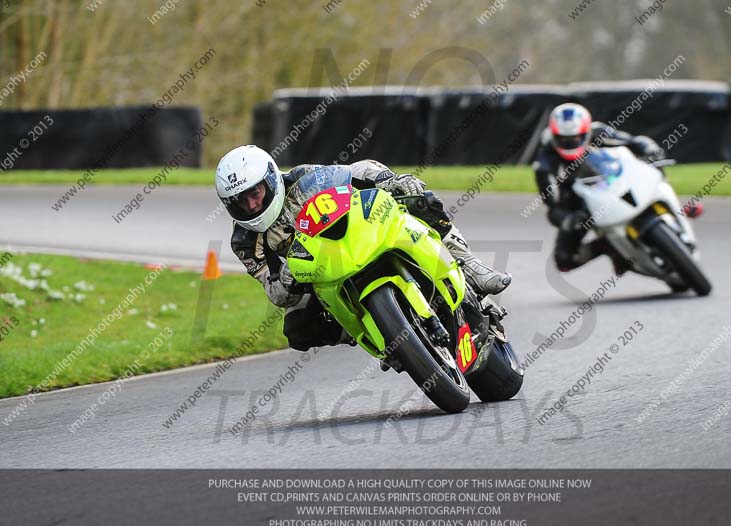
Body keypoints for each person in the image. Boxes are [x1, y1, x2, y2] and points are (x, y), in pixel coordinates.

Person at [216, 145, 511, 352]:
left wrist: (392, 182)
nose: (252, 205)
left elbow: (353, 173)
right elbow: (275, 293)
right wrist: (289, 278)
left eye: (254, 194)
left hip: (358, 234)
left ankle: (469, 264)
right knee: (297, 331)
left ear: (270, 180)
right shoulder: (244, 241)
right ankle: (373, 329)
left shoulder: (304, 179)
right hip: (318, 275)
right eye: (241, 202)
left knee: (419, 198)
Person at [533, 102, 670, 274]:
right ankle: (610, 246)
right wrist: (569, 219)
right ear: (554, 135)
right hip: (581, 203)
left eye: (575, 137)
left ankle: (678, 208)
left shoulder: (598, 131)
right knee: (564, 261)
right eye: (564, 139)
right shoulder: (544, 163)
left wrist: (649, 149)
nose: (570, 142)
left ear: (585, 131)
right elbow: (552, 204)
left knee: (656, 167)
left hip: (615, 178)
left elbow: (633, 141)